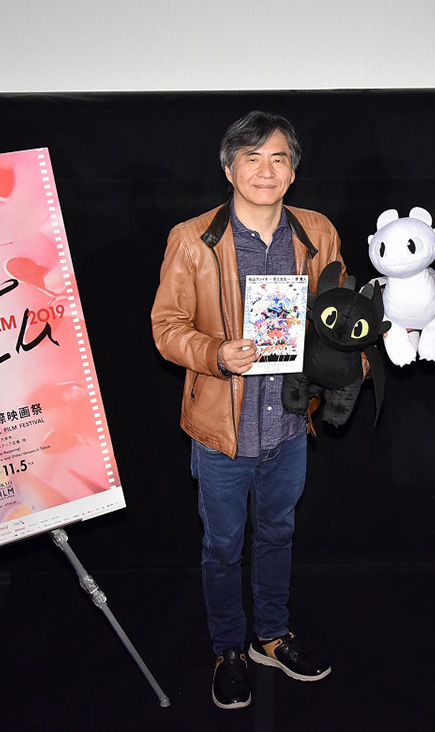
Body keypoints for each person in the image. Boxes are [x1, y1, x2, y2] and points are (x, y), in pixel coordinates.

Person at [151, 110, 338, 710]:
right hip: (221, 430)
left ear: (293, 170)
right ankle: (228, 648)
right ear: (229, 169)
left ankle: (272, 637)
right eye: (251, 158)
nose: (265, 170)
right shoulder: (193, 239)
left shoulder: (316, 231)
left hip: (290, 423)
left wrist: (348, 355)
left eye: (278, 158)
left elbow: (337, 313)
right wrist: (215, 353)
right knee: (223, 545)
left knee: (279, 533)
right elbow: (165, 327)